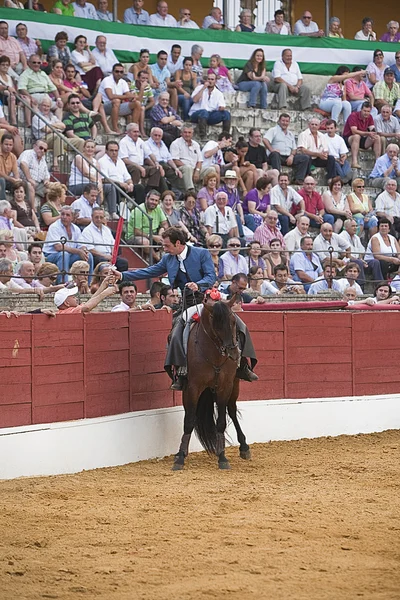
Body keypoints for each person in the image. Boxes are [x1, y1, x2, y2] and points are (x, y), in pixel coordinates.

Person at [115, 226, 256, 390]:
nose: (164, 248)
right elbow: (149, 271)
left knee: (240, 325)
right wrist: (123, 275)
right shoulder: (169, 259)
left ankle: (244, 365)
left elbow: (211, 276)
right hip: (187, 303)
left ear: (178, 243)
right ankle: (180, 371)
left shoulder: (201, 253)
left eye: (167, 245)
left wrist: (199, 284)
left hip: (208, 299)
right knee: (175, 334)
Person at [43, 205, 93, 281]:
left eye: (67, 215)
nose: (64, 217)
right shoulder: (54, 227)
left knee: (88, 255)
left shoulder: (76, 228)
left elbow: (81, 244)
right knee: (64, 254)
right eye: (62, 214)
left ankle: (88, 284)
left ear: (72, 217)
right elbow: (58, 247)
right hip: (51, 255)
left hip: (69, 256)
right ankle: (63, 284)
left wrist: (84, 250)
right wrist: (78, 251)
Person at [263, 113, 310, 185]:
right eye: (283, 121)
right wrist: (272, 150)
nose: (285, 123)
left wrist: (291, 156)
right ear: (279, 121)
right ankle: (279, 178)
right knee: (275, 154)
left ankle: (299, 179)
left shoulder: (290, 134)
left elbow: (294, 149)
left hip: (287, 157)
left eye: (287, 121)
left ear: (289, 122)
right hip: (276, 156)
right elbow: (265, 140)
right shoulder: (273, 130)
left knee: (305, 158)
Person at [98, 140, 139, 219]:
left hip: (124, 186)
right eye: (111, 150)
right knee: (114, 185)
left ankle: (139, 212)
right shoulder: (102, 161)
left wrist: (130, 184)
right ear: (106, 151)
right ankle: (116, 211)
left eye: (116, 150)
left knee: (139, 188)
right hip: (113, 185)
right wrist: (120, 183)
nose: (114, 153)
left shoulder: (120, 161)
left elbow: (127, 176)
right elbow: (104, 179)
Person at [80, 207, 128, 272]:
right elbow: (90, 249)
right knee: (103, 263)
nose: (99, 219)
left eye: (101, 217)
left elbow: (113, 245)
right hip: (98, 257)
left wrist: (113, 256)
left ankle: (119, 281)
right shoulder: (87, 231)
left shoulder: (107, 230)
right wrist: (105, 256)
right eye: (96, 217)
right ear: (92, 217)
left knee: (123, 263)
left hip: (109, 256)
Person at [119, 123, 163, 192]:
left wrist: (156, 163)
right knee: (135, 169)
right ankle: (133, 191)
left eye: (137, 131)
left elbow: (150, 154)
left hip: (141, 165)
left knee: (156, 169)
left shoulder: (140, 141)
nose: (136, 134)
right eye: (134, 132)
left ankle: (149, 191)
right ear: (128, 132)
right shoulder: (123, 142)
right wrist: (139, 167)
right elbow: (124, 159)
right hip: (129, 166)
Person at [98, 63, 140, 135]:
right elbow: (110, 96)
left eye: (121, 72)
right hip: (105, 106)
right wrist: (128, 96)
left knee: (137, 104)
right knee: (116, 101)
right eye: (117, 71)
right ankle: (115, 128)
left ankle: (132, 128)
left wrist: (132, 97)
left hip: (117, 106)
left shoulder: (123, 82)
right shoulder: (107, 80)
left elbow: (128, 94)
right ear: (112, 72)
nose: (119, 73)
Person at [18, 54, 63, 120]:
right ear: (29, 63)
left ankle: (58, 127)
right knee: (41, 105)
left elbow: (53, 88)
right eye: (34, 62)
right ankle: (42, 125)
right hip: (34, 96)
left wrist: (58, 99)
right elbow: (22, 88)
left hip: (46, 96)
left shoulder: (43, 73)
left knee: (59, 106)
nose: (36, 64)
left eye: (38, 63)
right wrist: (31, 97)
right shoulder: (25, 74)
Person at [127, 189, 168, 261]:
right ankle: (158, 260)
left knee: (167, 238)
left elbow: (164, 223)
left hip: (153, 233)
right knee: (145, 242)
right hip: (134, 236)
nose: (154, 202)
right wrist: (153, 236)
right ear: (146, 199)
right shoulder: (139, 210)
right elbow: (136, 231)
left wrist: (162, 230)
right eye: (152, 199)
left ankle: (165, 258)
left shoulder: (158, 208)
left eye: (156, 200)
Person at [339, 218, 382, 286]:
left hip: (359, 260)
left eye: (356, 226)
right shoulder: (341, 237)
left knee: (375, 262)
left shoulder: (356, 237)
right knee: (358, 262)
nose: (355, 228)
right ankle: (361, 285)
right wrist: (359, 260)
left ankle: (380, 284)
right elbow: (343, 254)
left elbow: (361, 252)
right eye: (353, 226)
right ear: (346, 227)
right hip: (347, 261)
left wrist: (361, 259)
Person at [144, 127, 187, 194]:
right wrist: (158, 167)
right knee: (160, 175)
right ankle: (166, 194)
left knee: (177, 175)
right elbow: (147, 159)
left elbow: (169, 158)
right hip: (155, 166)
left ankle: (183, 194)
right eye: (155, 135)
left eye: (159, 136)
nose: (157, 137)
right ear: (151, 134)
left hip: (165, 166)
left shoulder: (163, 144)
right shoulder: (146, 144)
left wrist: (176, 168)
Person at [189, 72, 230, 138]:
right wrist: (203, 88)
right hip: (197, 113)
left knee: (226, 114)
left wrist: (221, 108)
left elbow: (221, 106)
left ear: (215, 81)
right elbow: (194, 100)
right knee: (204, 112)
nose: (210, 81)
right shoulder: (199, 88)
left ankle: (225, 137)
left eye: (212, 79)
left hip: (210, 115)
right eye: (209, 79)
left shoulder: (218, 93)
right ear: (206, 80)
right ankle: (203, 136)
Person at [31, 97, 66, 171]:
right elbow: (47, 130)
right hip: (43, 140)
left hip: (58, 137)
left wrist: (50, 125)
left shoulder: (52, 116)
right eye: (44, 105)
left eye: (48, 106)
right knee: (57, 136)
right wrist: (55, 126)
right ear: (39, 106)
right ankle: (55, 163)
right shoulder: (36, 117)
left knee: (80, 142)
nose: (46, 108)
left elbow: (63, 126)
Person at [343, 102, 381, 169]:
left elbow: (372, 128)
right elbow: (354, 131)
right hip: (349, 138)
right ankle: (354, 162)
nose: (366, 113)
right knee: (356, 136)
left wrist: (373, 133)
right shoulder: (353, 115)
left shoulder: (370, 117)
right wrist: (367, 133)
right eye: (364, 111)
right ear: (361, 110)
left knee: (376, 137)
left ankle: (378, 162)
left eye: (368, 111)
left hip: (362, 138)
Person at [297, 117, 336, 182]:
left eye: (316, 125)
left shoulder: (322, 136)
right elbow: (303, 150)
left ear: (319, 126)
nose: (314, 126)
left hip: (318, 158)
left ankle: (331, 179)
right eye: (312, 124)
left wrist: (325, 154)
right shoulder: (303, 134)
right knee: (307, 157)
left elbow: (325, 149)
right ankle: (307, 178)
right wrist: (318, 154)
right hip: (308, 158)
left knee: (331, 158)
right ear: (309, 125)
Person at [169, 125, 202, 191]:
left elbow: (200, 161)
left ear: (192, 134)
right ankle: (191, 192)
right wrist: (190, 169)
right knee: (188, 168)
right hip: (182, 168)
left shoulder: (196, 144)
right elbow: (175, 160)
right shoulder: (175, 143)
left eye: (189, 132)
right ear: (181, 133)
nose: (187, 134)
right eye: (185, 132)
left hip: (194, 169)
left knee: (211, 169)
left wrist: (197, 171)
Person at [18, 140, 50, 205]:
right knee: (30, 186)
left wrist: (46, 181)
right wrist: (29, 178)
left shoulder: (43, 159)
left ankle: (49, 210)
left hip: (38, 184)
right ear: (35, 146)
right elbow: (23, 163)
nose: (43, 150)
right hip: (24, 181)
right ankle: (33, 211)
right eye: (41, 148)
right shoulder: (28, 153)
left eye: (45, 150)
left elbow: (46, 175)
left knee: (53, 188)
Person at [129, 70, 155, 137]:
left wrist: (145, 108)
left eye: (146, 78)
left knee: (142, 108)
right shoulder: (132, 84)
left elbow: (152, 101)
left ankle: (141, 130)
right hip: (133, 105)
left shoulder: (148, 86)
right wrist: (142, 88)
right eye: (143, 78)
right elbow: (138, 100)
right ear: (138, 78)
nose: (145, 80)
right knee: (140, 107)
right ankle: (141, 130)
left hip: (142, 107)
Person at [175, 56, 196, 121]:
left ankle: (193, 118)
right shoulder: (178, 72)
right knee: (185, 99)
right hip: (179, 94)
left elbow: (195, 87)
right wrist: (185, 93)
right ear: (183, 65)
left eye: (190, 65)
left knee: (194, 100)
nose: (188, 67)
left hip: (189, 95)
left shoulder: (193, 75)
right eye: (186, 65)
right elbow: (177, 86)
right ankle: (186, 118)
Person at [0, 134, 21, 200]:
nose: (8, 147)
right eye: (6, 144)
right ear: (1, 144)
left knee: (25, 184)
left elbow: (15, 172)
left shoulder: (13, 157)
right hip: (2, 180)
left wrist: (17, 180)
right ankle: (3, 203)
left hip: (7, 180)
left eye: (10, 145)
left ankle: (25, 206)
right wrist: (10, 179)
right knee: (2, 180)